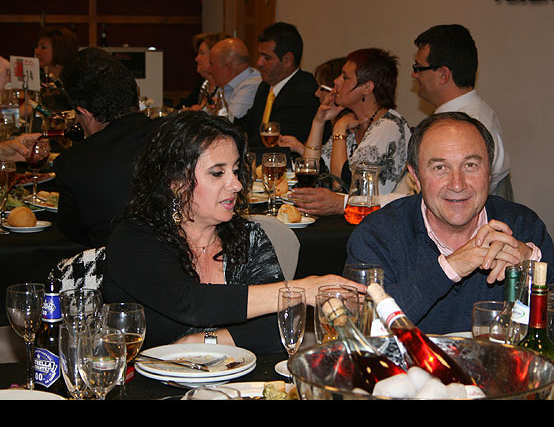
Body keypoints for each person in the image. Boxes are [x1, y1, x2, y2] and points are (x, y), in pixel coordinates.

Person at [102, 111, 361, 353]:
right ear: (176, 182)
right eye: (217, 173)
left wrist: (201, 342)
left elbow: (278, 327)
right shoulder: (135, 238)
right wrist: (300, 289)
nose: (236, 184)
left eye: (236, 171)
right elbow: (188, 302)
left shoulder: (247, 237)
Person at [346, 112, 554, 335]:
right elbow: (362, 330)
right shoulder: (377, 235)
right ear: (415, 176)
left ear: (489, 173)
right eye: (440, 168)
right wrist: (449, 268)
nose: (457, 184)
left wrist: (532, 266)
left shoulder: (522, 226)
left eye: (470, 165)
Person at [53, 47, 160, 247]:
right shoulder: (175, 136)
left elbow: (73, 232)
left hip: (115, 261)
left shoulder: (73, 164)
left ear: (85, 114)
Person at [288, 48, 412, 216]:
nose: (336, 81)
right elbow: (312, 168)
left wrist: (339, 128)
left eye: (345, 77)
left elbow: (342, 184)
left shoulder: (388, 127)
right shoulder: (355, 122)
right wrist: (319, 122)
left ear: (367, 87)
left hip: (375, 221)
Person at [412, 24, 512, 199]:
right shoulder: (470, 115)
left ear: (443, 75)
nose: (414, 75)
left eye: (418, 68)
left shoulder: (472, 126)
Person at [237, 22, 321, 148]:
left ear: (287, 60)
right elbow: (247, 124)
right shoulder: (265, 86)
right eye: (260, 55)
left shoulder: (303, 91)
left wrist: (235, 146)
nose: (259, 63)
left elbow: (275, 140)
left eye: (266, 58)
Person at [278, 57, 347, 156]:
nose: (317, 93)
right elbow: (319, 161)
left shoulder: (347, 127)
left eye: (322, 88)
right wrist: (298, 146)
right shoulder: (328, 122)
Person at [207, 37, 262, 121]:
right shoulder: (224, 85)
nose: (209, 70)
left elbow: (228, 123)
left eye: (212, 64)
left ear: (228, 68)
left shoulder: (252, 85)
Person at [177, 32, 230, 111]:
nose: (196, 59)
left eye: (202, 54)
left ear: (216, 57)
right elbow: (178, 108)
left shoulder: (226, 88)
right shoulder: (204, 85)